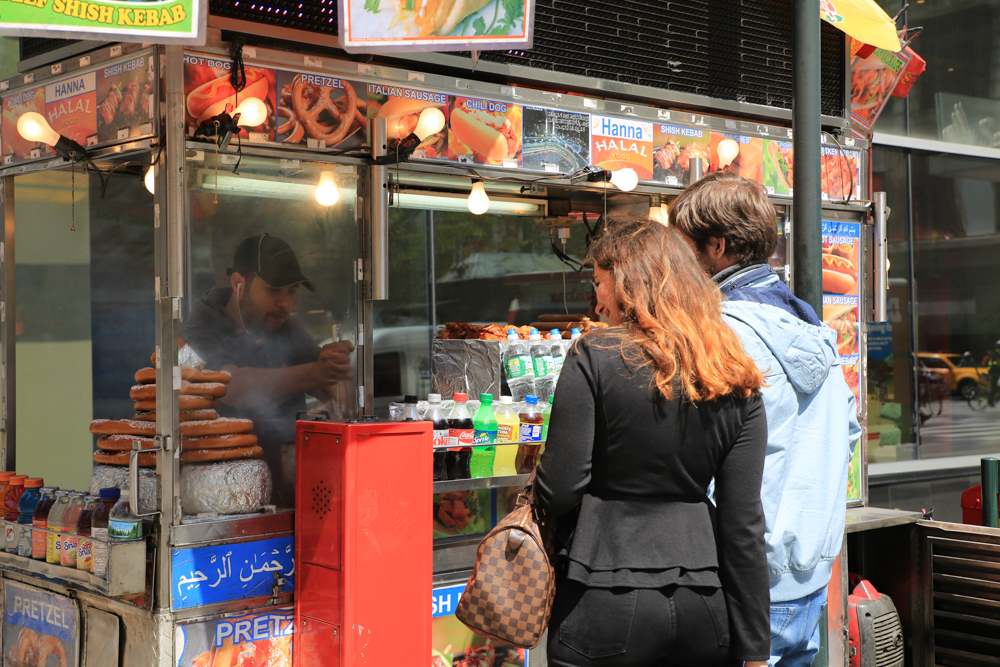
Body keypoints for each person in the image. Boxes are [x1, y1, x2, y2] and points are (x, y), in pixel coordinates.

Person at [536, 214, 770, 667]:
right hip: (704, 604)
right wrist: (756, 650)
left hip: (601, 594)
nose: (598, 302)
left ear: (629, 283)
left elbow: (560, 489)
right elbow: (743, 527)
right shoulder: (733, 378)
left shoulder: (593, 356)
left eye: (600, 283)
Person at [671, 171, 860, 667]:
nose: (675, 263)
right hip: (811, 575)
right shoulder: (810, 323)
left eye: (682, 247)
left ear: (716, 247)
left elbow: (696, 459)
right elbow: (849, 431)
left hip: (745, 582)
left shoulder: (716, 334)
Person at [180, 234, 355, 499]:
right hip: (216, 494)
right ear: (239, 284)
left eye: (291, 292)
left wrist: (335, 374)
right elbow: (230, 386)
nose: (284, 303)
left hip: (288, 488)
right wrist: (318, 372)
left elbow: (332, 388)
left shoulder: (285, 326)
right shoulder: (196, 331)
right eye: (274, 290)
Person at [985, 341, 1000, 407]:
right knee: (994, 387)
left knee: (997, 386)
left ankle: (995, 398)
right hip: (993, 372)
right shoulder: (996, 353)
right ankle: (990, 401)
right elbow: (998, 361)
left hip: (996, 371)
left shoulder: (998, 352)